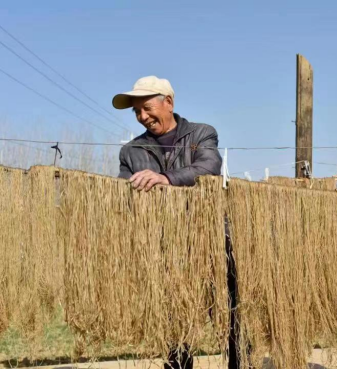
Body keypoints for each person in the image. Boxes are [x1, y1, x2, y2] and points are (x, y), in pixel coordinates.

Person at [113, 76, 240, 369]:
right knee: (172, 318)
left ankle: (240, 363)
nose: (142, 117)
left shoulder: (200, 134)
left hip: (211, 240)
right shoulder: (130, 152)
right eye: (136, 112)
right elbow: (122, 195)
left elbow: (209, 167)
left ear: (168, 103)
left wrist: (165, 179)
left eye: (146, 108)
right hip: (164, 246)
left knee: (228, 310)